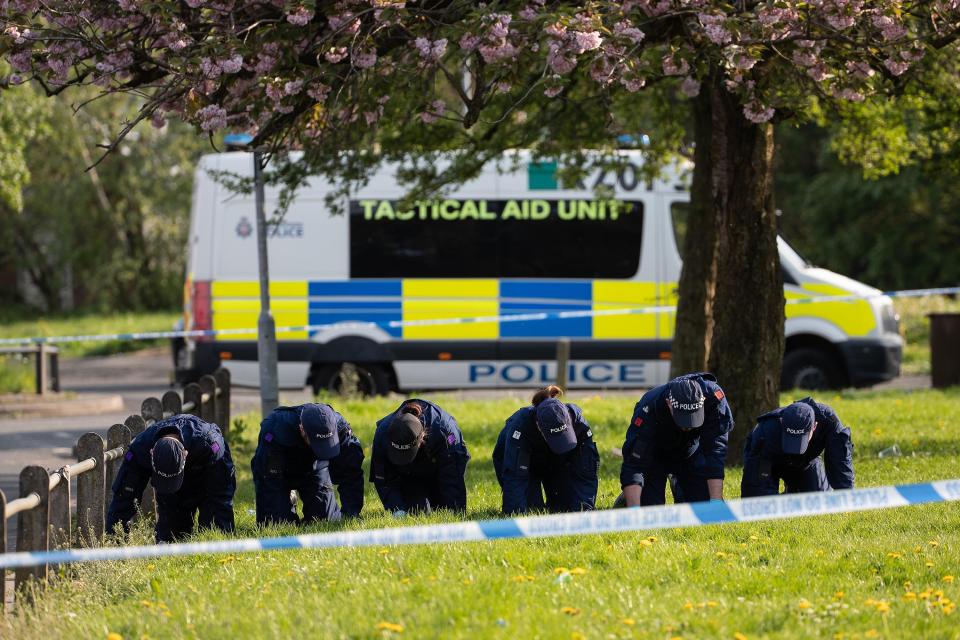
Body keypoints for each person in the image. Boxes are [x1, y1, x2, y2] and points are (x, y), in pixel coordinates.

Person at [106, 414, 236, 542]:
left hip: (207, 471)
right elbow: (124, 496)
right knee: (169, 536)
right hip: (172, 490)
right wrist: (114, 539)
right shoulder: (139, 449)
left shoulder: (211, 445)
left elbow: (221, 494)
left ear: (185, 454)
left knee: (216, 530)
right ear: (151, 453)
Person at [619, 372, 733, 507]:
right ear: (669, 404)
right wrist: (635, 511)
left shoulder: (714, 398)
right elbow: (634, 463)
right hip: (654, 457)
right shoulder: (649, 408)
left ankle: (679, 483)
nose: (687, 427)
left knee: (704, 507)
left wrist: (715, 501)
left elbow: (716, 451)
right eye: (683, 419)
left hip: (690, 452)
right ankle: (629, 497)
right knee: (650, 511)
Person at [492, 386, 599, 514]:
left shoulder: (579, 424)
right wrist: (515, 516)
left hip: (558, 462)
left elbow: (586, 472)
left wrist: (584, 511)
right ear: (538, 426)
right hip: (524, 467)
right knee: (531, 511)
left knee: (564, 508)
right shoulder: (520, 427)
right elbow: (515, 477)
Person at [251, 403, 364, 524]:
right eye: (318, 443)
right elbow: (267, 477)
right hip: (279, 472)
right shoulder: (274, 429)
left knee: (324, 521)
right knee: (275, 524)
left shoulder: (340, 428)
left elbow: (351, 472)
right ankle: (288, 498)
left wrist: (351, 513)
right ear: (302, 429)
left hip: (315, 468)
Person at [370, 399, 470, 515]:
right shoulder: (382, 435)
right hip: (408, 476)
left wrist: (455, 511)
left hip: (440, 468)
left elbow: (452, 474)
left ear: (422, 437)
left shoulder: (445, 430)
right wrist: (397, 509)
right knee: (417, 511)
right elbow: (383, 478)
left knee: (449, 509)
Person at [741, 398, 854, 497]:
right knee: (760, 505)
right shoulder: (766, 430)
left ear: (814, 426)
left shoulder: (829, 422)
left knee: (819, 501)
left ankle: (793, 491)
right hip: (769, 464)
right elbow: (756, 466)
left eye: (800, 439)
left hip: (805, 463)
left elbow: (840, 461)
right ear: (781, 422)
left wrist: (846, 496)